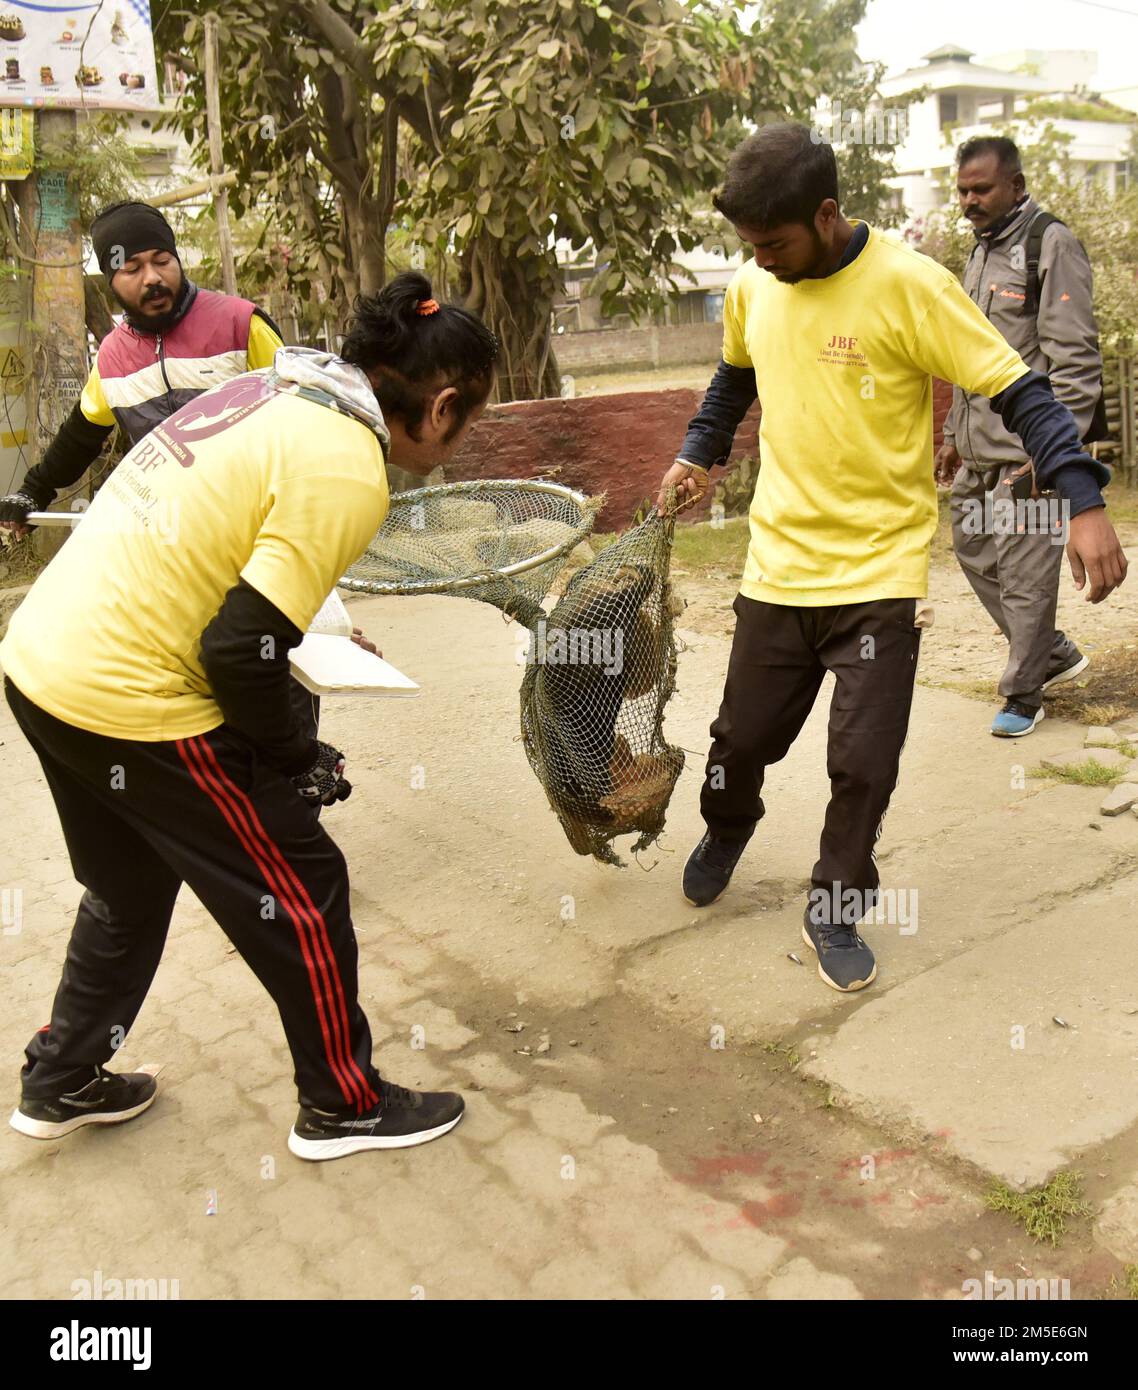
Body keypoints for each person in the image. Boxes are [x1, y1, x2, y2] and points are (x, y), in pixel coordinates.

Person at [2, 272, 499, 1160]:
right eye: (470, 422)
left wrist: (310, 655)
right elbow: (239, 653)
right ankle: (343, 1105)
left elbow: (237, 560)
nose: (463, 440)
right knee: (302, 889)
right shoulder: (348, 466)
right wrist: (296, 756)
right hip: (132, 696)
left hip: (43, 664)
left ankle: (63, 1076)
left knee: (128, 885)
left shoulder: (277, 391)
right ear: (442, 407)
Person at [656, 124, 1127, 995]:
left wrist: (1083, 499)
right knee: (739, 741)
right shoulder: (756, 286)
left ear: (826, 214)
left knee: (864, 765)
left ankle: (834, 906)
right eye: (749, 246)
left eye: (772, 244)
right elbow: (735, 378)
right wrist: (697, 451)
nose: (758, 261)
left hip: (879, 576)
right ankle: (728, 824)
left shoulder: (911, 286)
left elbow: (1020, 389)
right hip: (778, 568)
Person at [935, 136, 1105, 737]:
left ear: (1016, 185)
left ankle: (1024, 694)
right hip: (979, 448)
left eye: (981, 189)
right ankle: (1051, 652)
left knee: (1027, 578)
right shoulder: (980, 252)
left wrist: (1056, 455)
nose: (969, 201)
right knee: (972, 547)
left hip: (1027, 452)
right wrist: (953, 432)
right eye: (962, 191)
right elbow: (968, 354)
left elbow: (1075, 360)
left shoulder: (1049, 243)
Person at [0, 200, 283, 537]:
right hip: (174, 535)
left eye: (162, 261)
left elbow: (303, 415)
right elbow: (81, 435)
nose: (152, 278)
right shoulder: (112, 358)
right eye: (132, 269)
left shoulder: (240, 324)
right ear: (111, 281)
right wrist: (34, 490)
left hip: (261, 526)